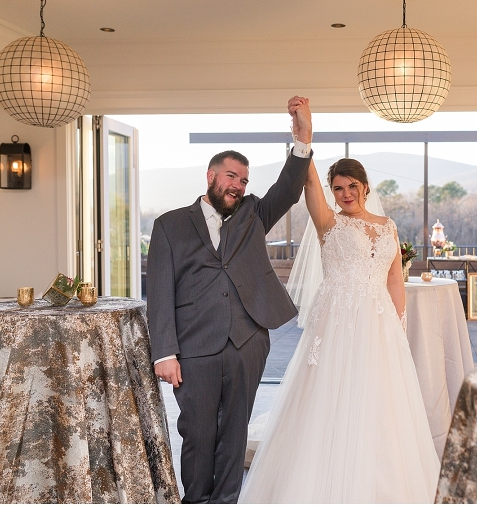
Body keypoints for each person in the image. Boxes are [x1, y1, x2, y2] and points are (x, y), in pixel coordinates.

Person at [239, 157, 440, 503]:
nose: (346, 194)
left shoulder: (388, 226)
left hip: (380, 327)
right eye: (338, 188)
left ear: (365, 187)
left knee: (381, 402)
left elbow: (394, 278)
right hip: (337, 325)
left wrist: (399, 325)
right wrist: (304, 142)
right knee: (330, 396)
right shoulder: (329, 223)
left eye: (352, 186)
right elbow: (309, 183)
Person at [146, 96, 313, 503]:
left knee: (235, 435)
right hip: (194, 347)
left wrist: (302, 138)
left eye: (243, 181)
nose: (238, 185)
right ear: (211, 176)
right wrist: (164, 352)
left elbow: (289, 189)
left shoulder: (253, 214)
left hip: (247, 342)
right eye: (231, 176)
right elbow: (160, 293)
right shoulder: (169, 225)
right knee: (197, 434)